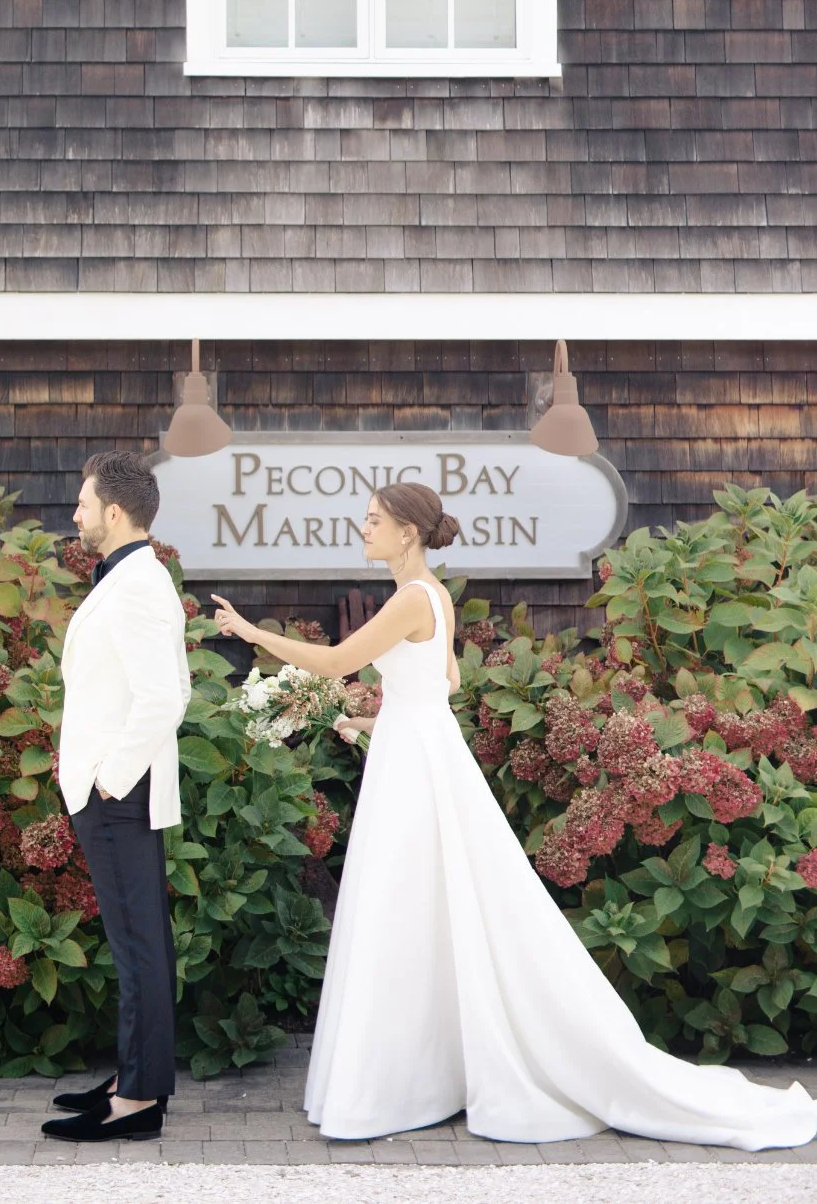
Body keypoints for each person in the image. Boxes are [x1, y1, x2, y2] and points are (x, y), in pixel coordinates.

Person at [211, 480, 817, 1151]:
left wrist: (246, 630)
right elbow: (444, 684)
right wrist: (372, 719)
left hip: (415, 767)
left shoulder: (411, 597)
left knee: (406, 907)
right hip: (419, 754)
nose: (364, 528)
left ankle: (403, 1084)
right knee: (428, 907)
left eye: (374, 520)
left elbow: (332, 661)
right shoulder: (433, 596)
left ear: (407, 531)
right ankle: (425, 1076)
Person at [41, 451, 191, 1145]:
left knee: (138, 950)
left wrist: (110, 774)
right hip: (113, 790)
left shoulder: (135, 584)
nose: (74, 514)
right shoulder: (130, 577)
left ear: (115, 511)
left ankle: (137, 1101)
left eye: (82, 501)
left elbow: (166, 694)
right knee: (142, 946)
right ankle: (134, 1080)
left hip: (117, 794)